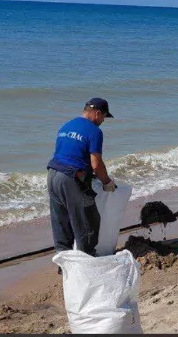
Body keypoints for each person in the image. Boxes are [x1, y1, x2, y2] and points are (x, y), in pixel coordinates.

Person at [46, 98, 117, 259]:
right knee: (87, 220)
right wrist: (107, 182)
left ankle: (64, 262)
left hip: (52, 174)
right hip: (70, 178)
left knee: (61, 221)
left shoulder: (67, 125)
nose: (103, 121)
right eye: (104, 117)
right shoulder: (94, 131)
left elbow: (69, 154)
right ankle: (88, 259)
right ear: (98, 113)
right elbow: (96, 164)